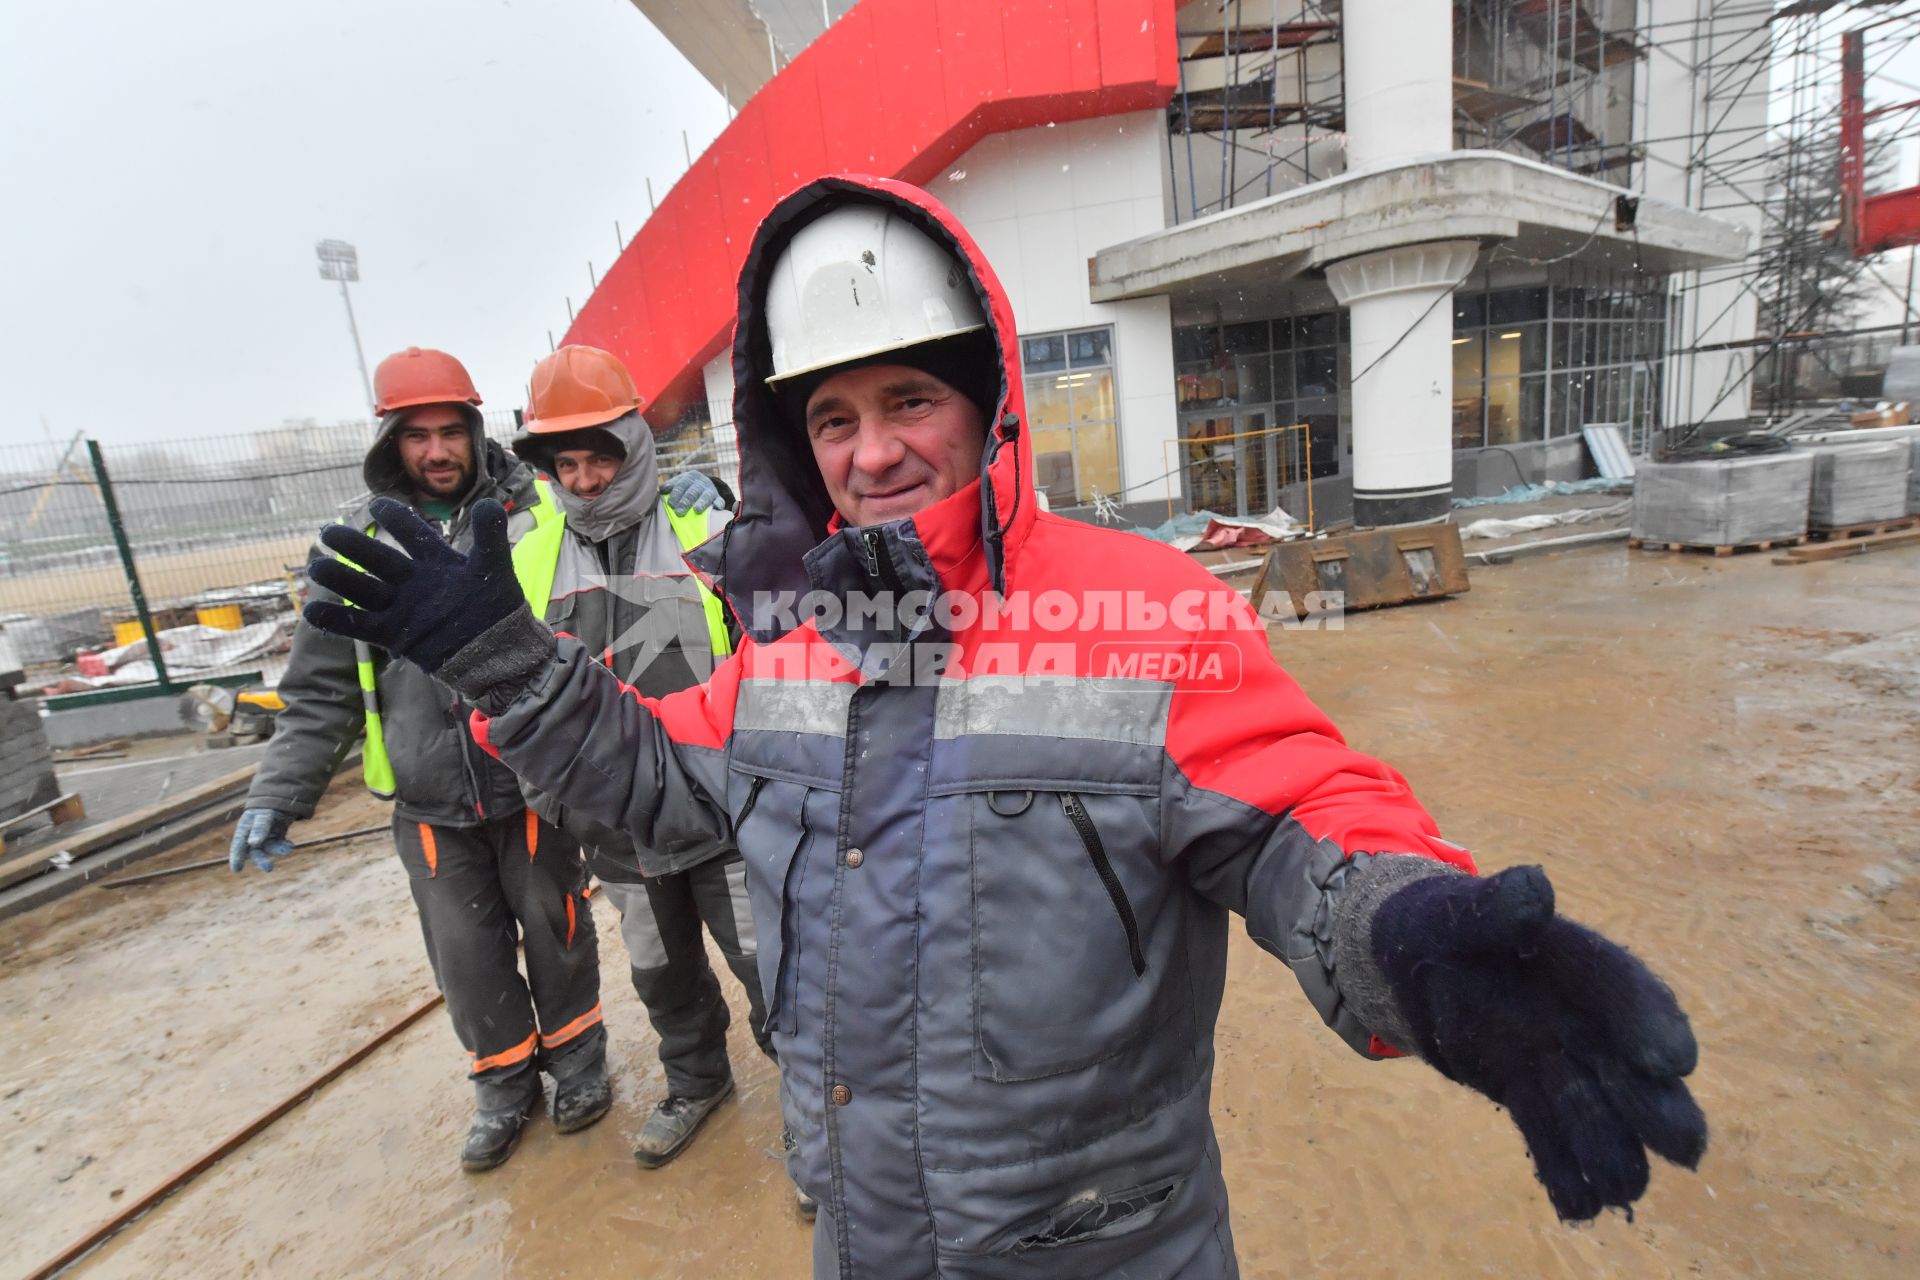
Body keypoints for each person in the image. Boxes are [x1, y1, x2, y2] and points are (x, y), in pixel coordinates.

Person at [302, 181, 1707, 1278]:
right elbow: (662, 784)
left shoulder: (1140, 607)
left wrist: (1397, 927)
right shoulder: (795, 646)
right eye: (835, 416)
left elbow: (1298, 819)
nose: (872, 450)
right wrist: (503, 660)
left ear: (990, 405)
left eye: (910, 398)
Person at [227, 345, 721, 1173]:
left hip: (537, 784)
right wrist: (278, 791)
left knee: (561, 934)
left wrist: (690, 499)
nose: (436, 451)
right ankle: (501, 1089)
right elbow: (320, 692)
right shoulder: (365, 548)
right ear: (391, 442)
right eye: (416, 436)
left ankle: (576, 1066)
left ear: (474, 431)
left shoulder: (528, 520)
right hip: (432, 794)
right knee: (468, 952)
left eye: (450, 431)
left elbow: (616, 532)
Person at [506, 344, 787, 1185]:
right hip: (615, 825)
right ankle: (696, 1083)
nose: (587, 478)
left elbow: (772, 658)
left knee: (770, 966)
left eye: (601, 456)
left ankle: (818, 1111)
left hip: (721, 813)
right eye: (568, 462)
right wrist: (556, 801)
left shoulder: (706, 528)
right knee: (661, 972)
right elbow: (511, 696)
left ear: (635, 444)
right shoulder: (530, 556)